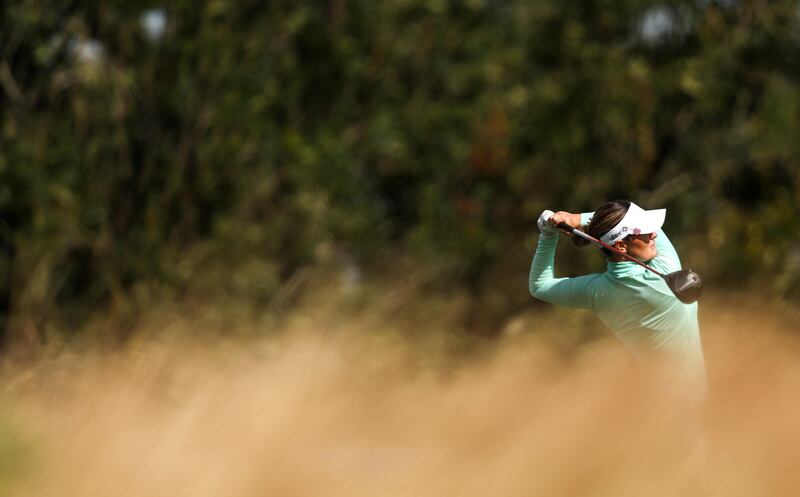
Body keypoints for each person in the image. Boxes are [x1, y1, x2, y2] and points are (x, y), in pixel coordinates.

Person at [529, 200, 707, 458]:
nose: (653, 234)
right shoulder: (666, 271)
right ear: (621, 245)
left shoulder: (597, 292)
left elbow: (540, 286)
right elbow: (619, 225)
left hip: (656, 406)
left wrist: (548, 234)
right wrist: (576, 219)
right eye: (644, 233)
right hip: (685, 408)